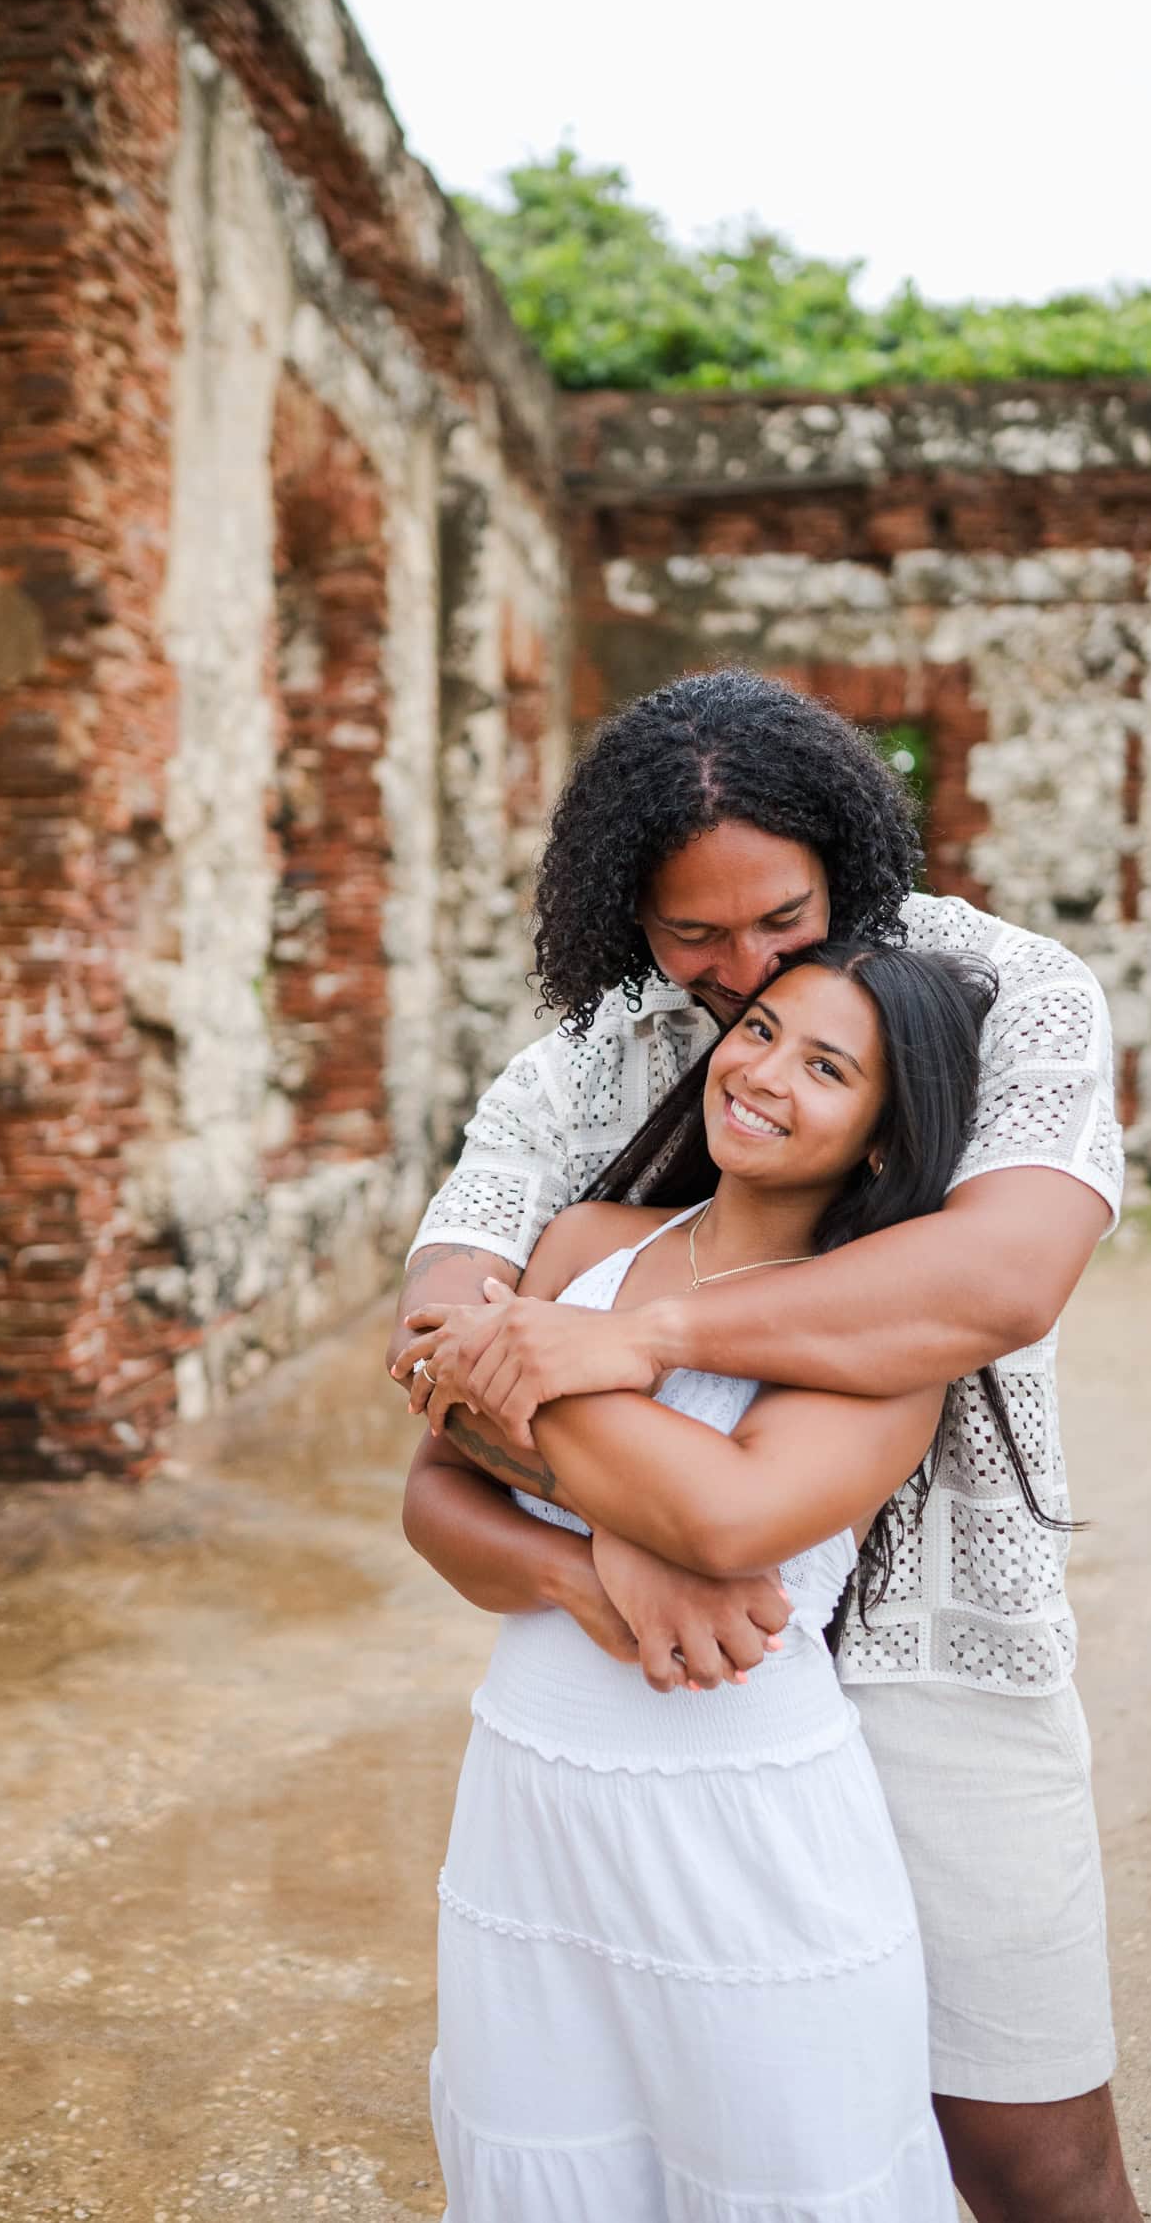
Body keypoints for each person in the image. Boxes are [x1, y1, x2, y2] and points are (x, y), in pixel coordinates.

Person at [393, 669, 1141, 2223]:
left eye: (783, 918)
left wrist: (635, 1339)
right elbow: (439, 1344)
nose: (744, 975)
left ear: (851, 861)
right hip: (663, 1680)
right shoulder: (581, 1063)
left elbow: (995, 1279)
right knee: (664, 2137)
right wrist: (612, 1535)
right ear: (630, 913)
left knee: (1027, 2151)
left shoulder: (1007, 996)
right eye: (695, 936)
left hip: (944, 1643)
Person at [421, 942, 990, 2220]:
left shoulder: (881, 1338)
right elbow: (431, 1490)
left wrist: (497, 1377)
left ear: (885, 1140)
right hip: (533, 1809)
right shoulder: (589, 1240)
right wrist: (591, 1564)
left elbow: (729, 1521)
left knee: (781, 2179)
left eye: (828, 1066)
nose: (765, 1071)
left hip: (744, 1835)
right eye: (764, 1030)